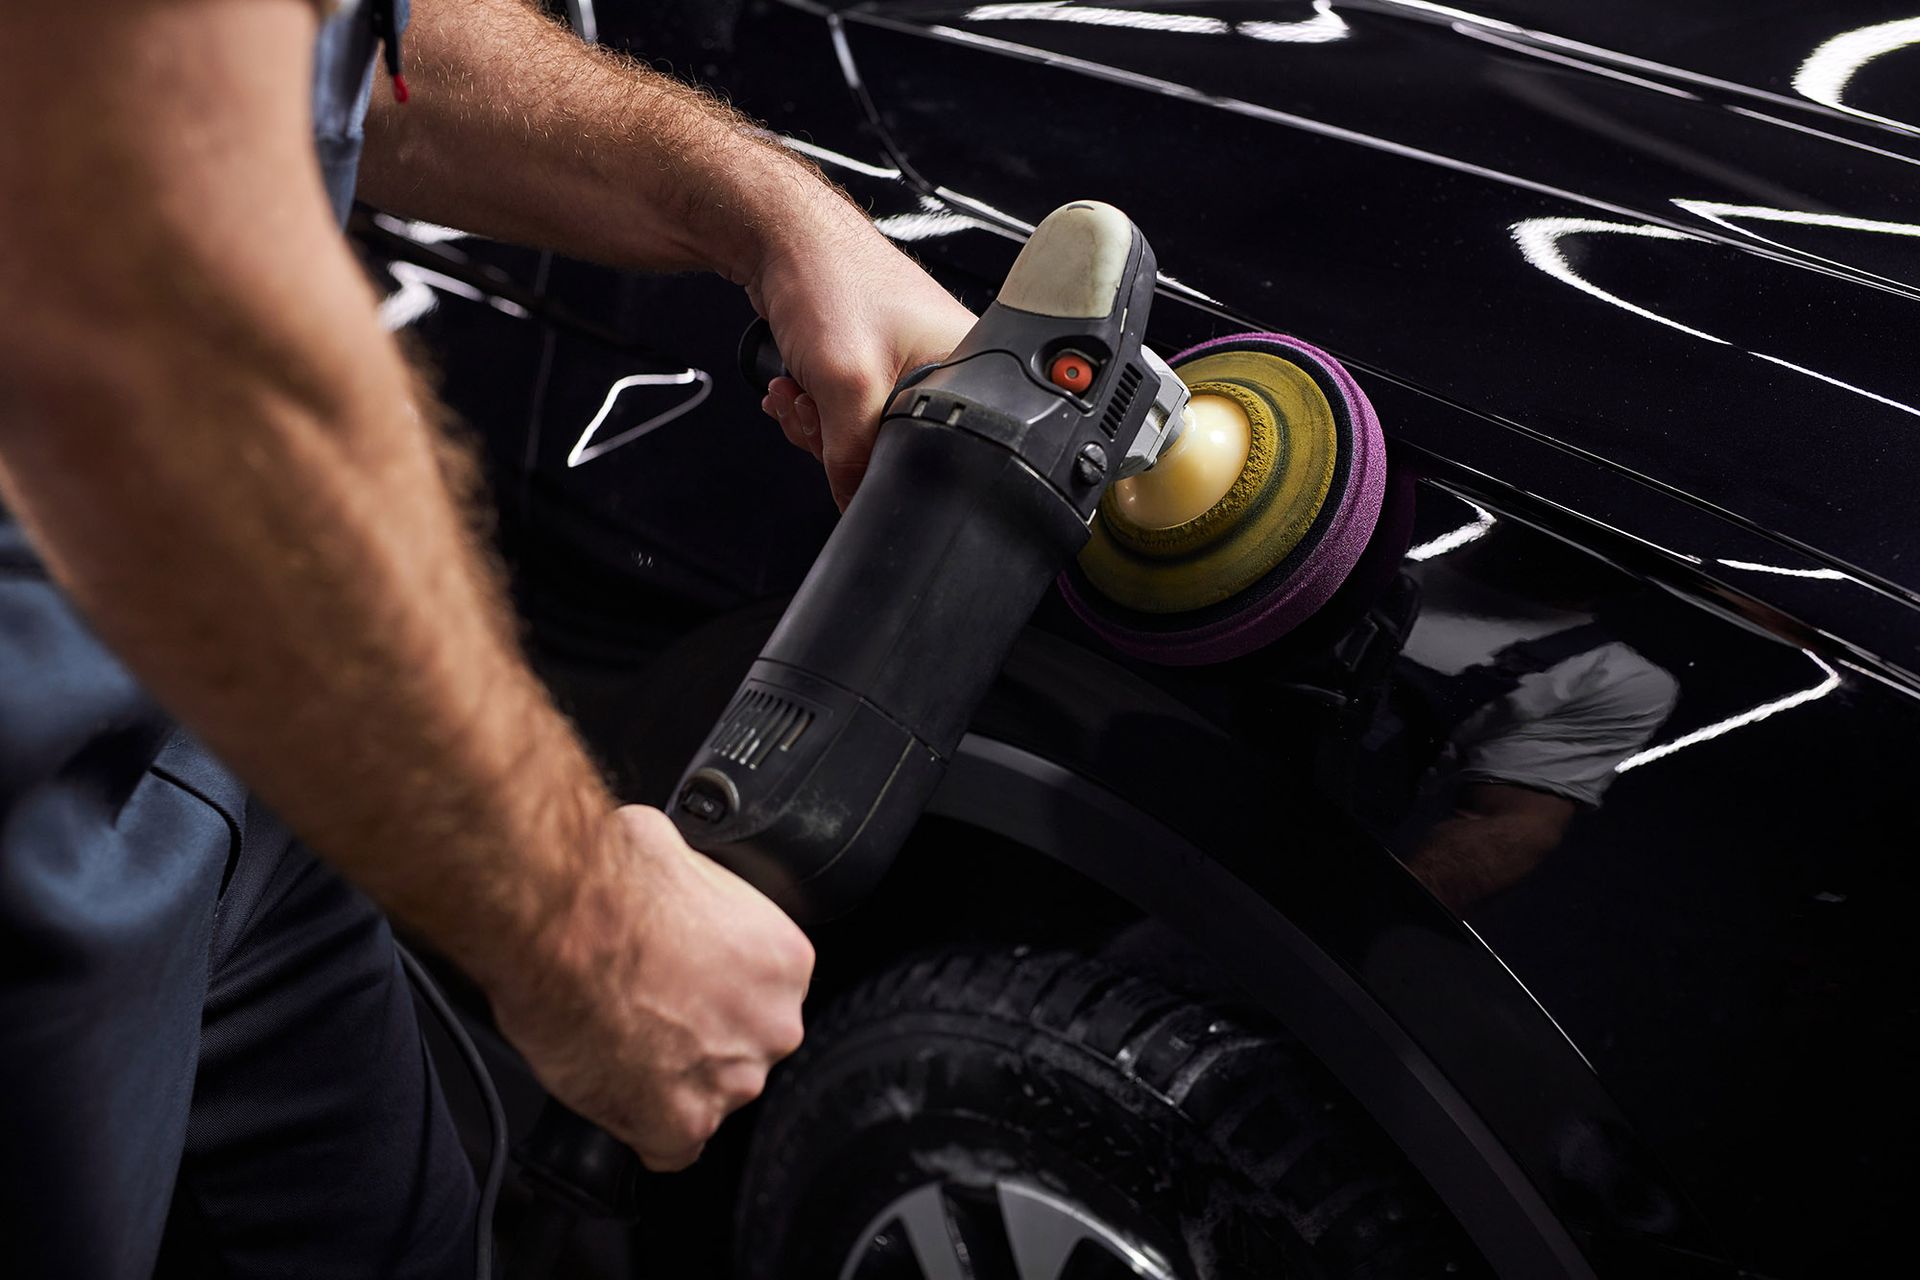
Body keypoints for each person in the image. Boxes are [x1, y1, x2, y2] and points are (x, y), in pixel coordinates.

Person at [0, 1, 976, 1274]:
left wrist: (760, 209)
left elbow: (295, 45)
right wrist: (586, 929)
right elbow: (166, 330)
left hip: (220, 729)